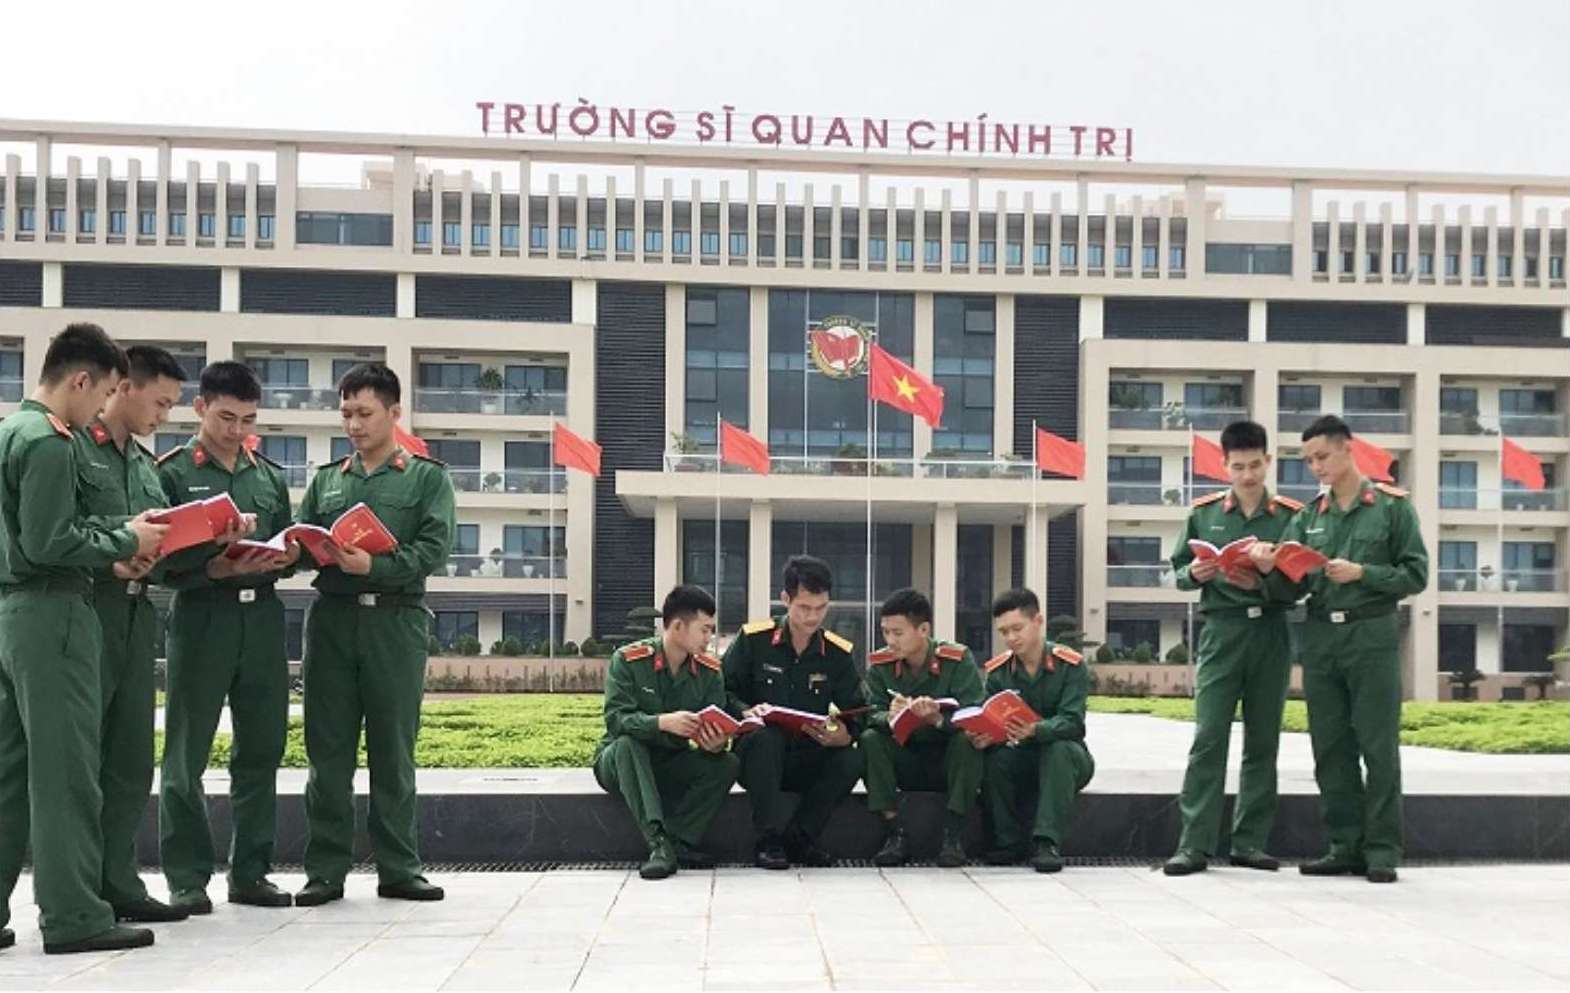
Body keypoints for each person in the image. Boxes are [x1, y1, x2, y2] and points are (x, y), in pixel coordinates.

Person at [0, 323, 168, 954]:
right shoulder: (49, 441)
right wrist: (126, 540)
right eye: (100, 396)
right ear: (80, 380)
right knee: (67, 773)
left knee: (10, 773)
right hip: (55, 613)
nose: (101, 408)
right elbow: (51, 542)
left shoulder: (8, 432)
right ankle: (73, 916)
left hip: (11, 614)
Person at [294, 363, 455, 907]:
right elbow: (303, 536)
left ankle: (399, 868)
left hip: (395, 620)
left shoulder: (426, 477)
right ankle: (325, 870)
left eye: (365, 413)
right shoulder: (328, 479)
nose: (354, 425)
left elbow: (433, 550)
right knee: (328, 750)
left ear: (393, 413)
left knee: (393, 748)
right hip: (333, 620)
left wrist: (376, 568)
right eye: (346, 414)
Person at [1251, 414, 1428, 884]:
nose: (1315, 467)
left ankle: (1383, 849)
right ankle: (1344, 845)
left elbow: (1416, 575)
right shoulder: (1308, 517)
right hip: (1321, 639)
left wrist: (1364, 574)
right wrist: (1271, 568)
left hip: (1371, 635)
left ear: (1348, 449)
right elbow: (1291, 589)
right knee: (1329, 746)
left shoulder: (1391, 508)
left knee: (1377, 745)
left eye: (1322, 456)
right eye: (1308, 460)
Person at [157, 362, 296, 914]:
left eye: (247, 420)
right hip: (202, 617)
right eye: (225, 418)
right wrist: (208, 567)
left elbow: (287, 545)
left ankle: (251, 873)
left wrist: (286, 555)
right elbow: (157, 563)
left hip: (261, 619)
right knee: (186, 753)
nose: (236, 431)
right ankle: (187, 878)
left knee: (261, 750)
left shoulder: (267, 475)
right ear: (200, 408)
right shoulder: (170, 473)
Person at [74, 345, 189, 922]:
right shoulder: (70, 449)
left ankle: (119, 882)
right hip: (87, 611)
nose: (164, 415)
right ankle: (77, 891)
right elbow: (58, 531)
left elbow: (160, 542)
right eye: (160, 402)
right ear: (124, 387)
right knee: (78, 760)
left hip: (138, 615)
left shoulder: (147, 466)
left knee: (129, 761)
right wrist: (116, 553)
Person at [1163, 420, 1304, 876]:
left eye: (1255, 465)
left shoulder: (1289, 516)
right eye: (1238, 466)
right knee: (1208, 739)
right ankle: (1194, 845)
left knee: (1263, 741)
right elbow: (1180, 567)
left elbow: (1299, 585)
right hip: (1221, 632)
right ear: (1223, 465)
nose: (1247, 475)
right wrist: (1196, 575)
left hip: (1270, 633)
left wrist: (1265, 575)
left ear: (1269, 462)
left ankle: (1249, 843)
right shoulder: (1203, 513)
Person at [722, 554, 865, 869]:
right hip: (758, 757)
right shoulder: (753, 640)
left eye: (821, 608)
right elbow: (722, 690)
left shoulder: (837, 653)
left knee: (853, 757)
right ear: (786, 599)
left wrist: (844, 734)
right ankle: (769, 840)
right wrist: (745, 711)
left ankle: (801, 838)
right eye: (804, 607)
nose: (813, 617)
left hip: (808, 752)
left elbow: (856, 708)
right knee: (766, 738)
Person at [593, 584, 740, 880]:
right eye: (704, 630)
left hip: (671, 760)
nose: (709, 639)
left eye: (712, 631)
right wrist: (661, 722)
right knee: (627, 744)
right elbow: (617, 720)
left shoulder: (710, 672)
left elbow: (715, 720)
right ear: (677, 626)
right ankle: (658, 843)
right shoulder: (629, 660)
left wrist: (715, 743)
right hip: (622, 764)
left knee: (727, 764)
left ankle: (679, 841)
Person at [860, 588, 984, 867]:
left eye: (898, 633)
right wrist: (890, 716)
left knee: (968, 741)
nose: (890, 641)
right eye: (885, 632)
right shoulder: (881, 665)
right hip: (906, 758)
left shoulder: (957, 660)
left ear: (924, 629)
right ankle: (895, 834)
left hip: (947, 760)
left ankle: (953, 837)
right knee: (870, 739)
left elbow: (974, 712)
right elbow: (870, 715)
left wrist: (938, 719)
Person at [975, 588, 1093, 873]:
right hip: (1022, 757)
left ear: (1038, 621)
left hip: (1069, 759)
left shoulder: (1071, 665)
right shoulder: (999, 672)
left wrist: (1034, 730)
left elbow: (1073, 722)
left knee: (1058, 749)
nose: (1011, 638)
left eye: (1017, 628)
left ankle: (1046, 843)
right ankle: (1009, 842)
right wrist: (984, 734)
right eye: (1003, 632)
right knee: (995, 760)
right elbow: (988, 713)